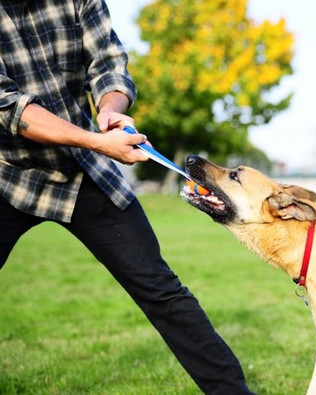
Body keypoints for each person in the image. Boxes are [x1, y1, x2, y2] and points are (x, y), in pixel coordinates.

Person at [0, 1, 254, 394]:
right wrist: (97, 141)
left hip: (84, 169)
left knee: (162, 291)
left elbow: (108, 63)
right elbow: (9, 107)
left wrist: (110, 109)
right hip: (8, 173)